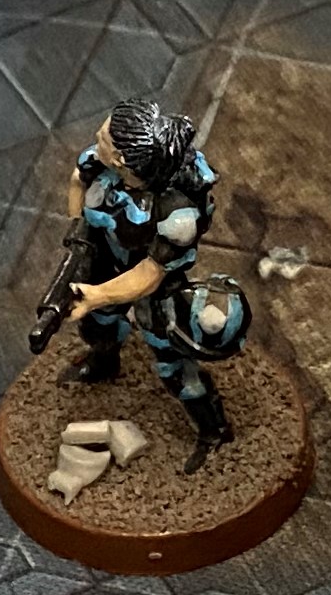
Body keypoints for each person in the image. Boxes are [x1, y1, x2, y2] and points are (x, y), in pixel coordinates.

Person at [61, 99, 250, 466]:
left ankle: (213, 430)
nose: (97, 137)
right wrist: (77, 236)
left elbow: (149, 274)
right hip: (109, 262)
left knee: (173, 363)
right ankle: (104, 363)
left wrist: (97, 294)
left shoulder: (176, 214)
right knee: (97, 326)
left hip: (158, 288)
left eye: (104, 137)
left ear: (123, 159)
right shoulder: (99, 162)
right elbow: (76, 181)